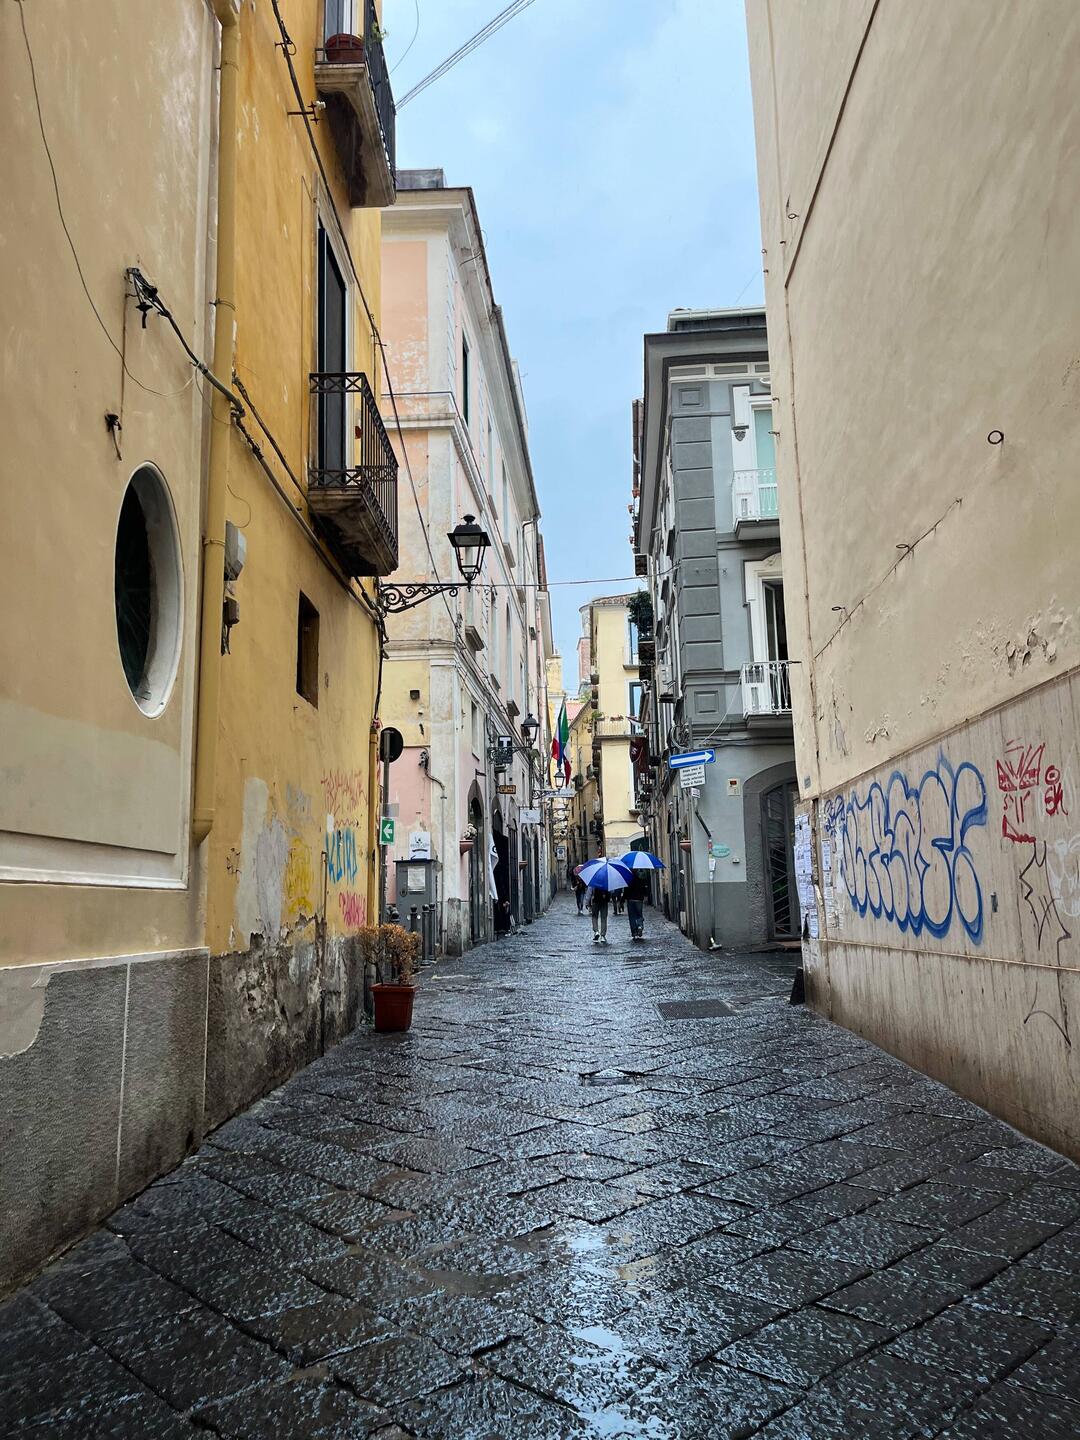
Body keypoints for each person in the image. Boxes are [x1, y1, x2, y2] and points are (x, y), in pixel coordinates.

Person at [626, 871, 649, 940]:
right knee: (639, 914)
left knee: (632, 916)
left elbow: (626, 892)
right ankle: (640, 926)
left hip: (630, 900)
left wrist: (622, 901)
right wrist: (645, 896)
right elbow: (644, 889)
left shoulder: (628, 881)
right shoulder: (640, 880)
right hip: (639, 900)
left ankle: (634, 932)